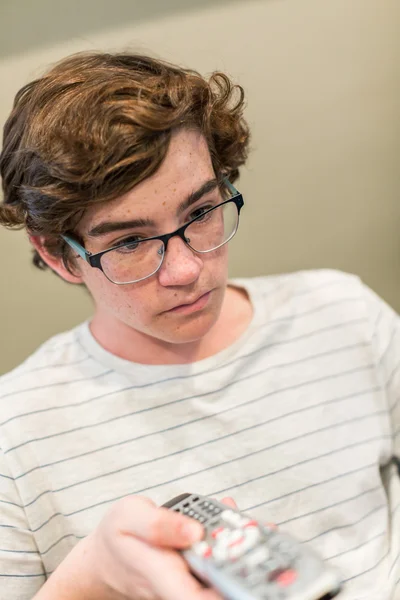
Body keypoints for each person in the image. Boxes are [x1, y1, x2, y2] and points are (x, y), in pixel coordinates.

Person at [0, 51, 398, 600]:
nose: (187, 269)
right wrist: (89, 577)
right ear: (58, 255)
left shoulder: (344, 311)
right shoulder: (14, 436)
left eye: (200, 213)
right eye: (131, 242)